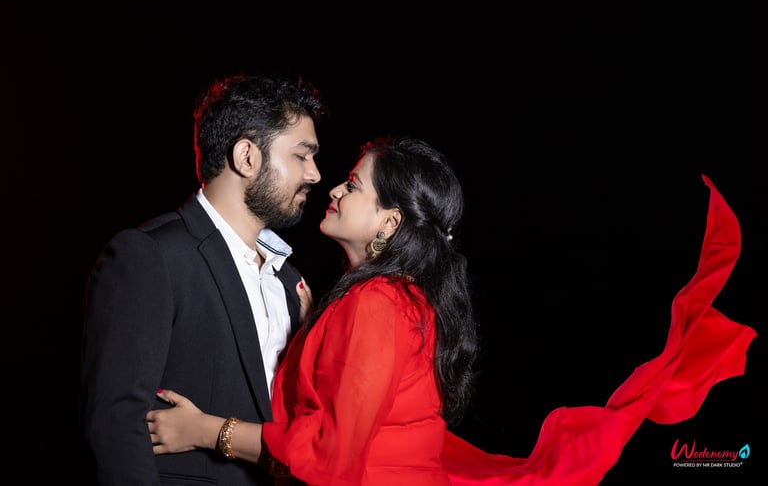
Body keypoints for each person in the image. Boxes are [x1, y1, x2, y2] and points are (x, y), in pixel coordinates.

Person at [146, 137, 757, 485]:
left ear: (390, 221)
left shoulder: (378, 305)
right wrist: (311, 332)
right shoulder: (391, 299)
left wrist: (207, 431)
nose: (333, 188)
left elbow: (332, 455)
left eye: (353, 185)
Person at [80, 73, 328, 486]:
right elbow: (116, 426)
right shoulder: (151, 255)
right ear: (247, 157)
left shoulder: (291, 282)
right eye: (302, 155)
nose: (315, 174)